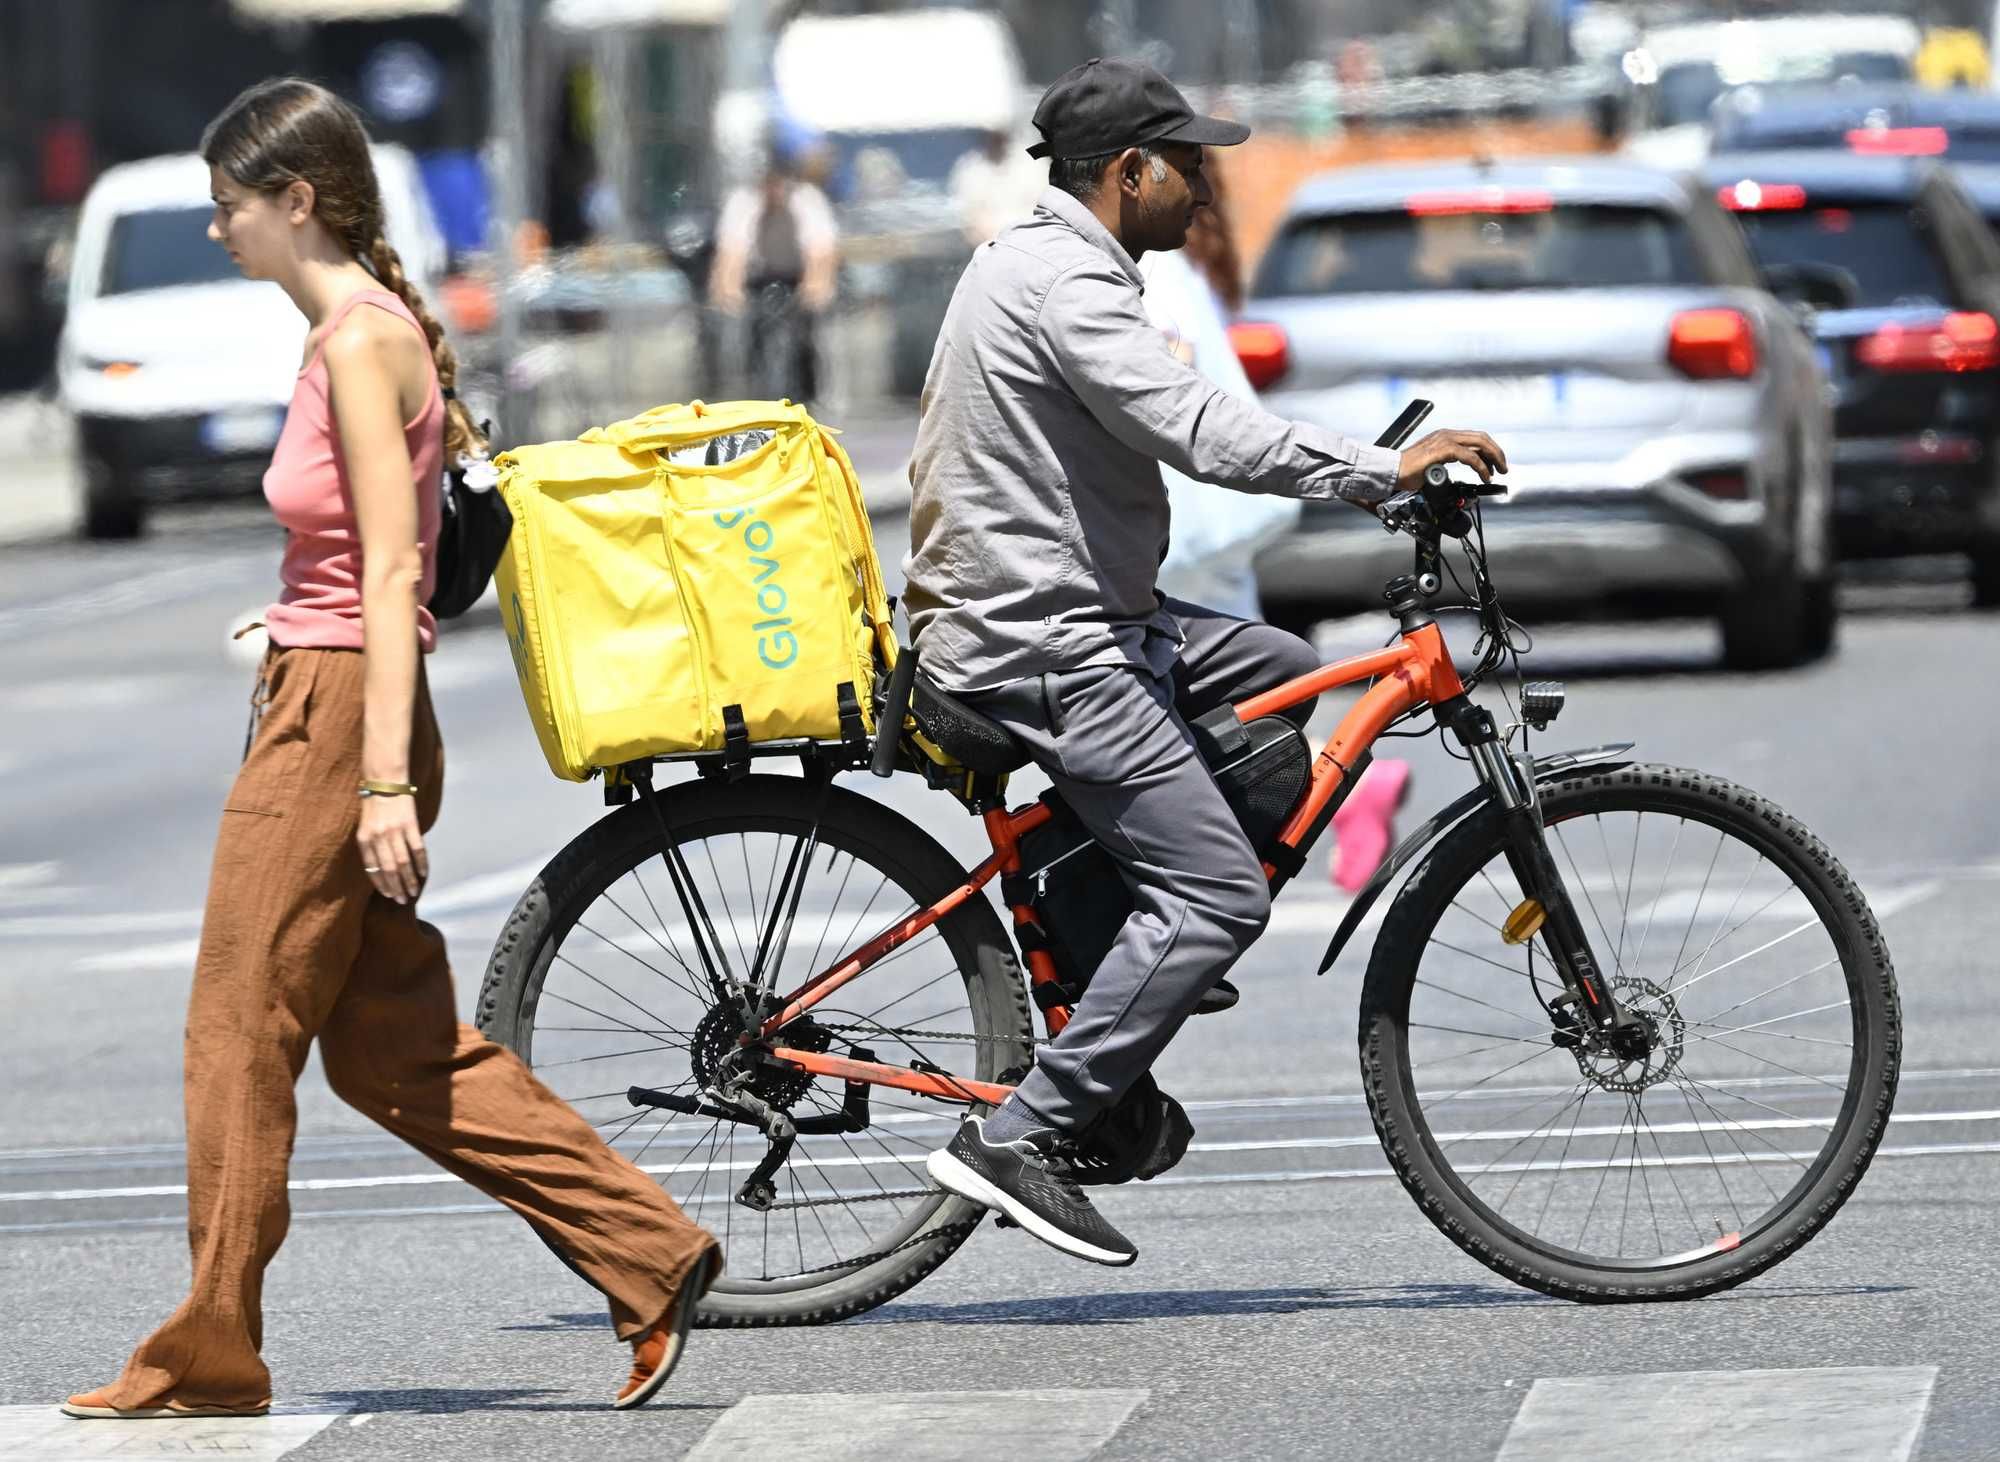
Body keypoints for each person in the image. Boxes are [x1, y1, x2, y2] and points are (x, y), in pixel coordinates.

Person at [61, 79, 719, 1423]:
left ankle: (210, 1348)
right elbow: (353, 556)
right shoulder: (362, 327)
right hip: (328, 684)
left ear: (297, 199)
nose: (217, 229)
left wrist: (373, 781)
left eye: (230, 205)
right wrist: (294, 621)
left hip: (336, 719)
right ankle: (650, 1251)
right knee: (392, 1052)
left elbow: (399, 567)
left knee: (236, 1026)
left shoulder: (360, 338)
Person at [910, 57, 1504, 1266]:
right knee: (1219, 894)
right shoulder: (1064, 282)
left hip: (1091, 612)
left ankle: (1096, 938)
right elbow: (1195, 429)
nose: (1203, 186)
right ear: (1124, 173)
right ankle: (1018, 1136)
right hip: (1043, 641)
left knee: (1281, 665)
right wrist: (1380, 469)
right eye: (1185, 163)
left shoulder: (1058, 264)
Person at [1136, 164, 1414, 891]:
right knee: (1239, 698)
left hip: (1185, 522)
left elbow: (1183, 411)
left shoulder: (1148, 272)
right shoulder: (1183, 267)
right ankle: (1346, 778)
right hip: (1215, 519)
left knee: (1213, 701)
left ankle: (1330, 787)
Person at [709, 149, 838, 402]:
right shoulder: (743, 202)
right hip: (759, 277)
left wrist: (816, 286)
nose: (773, 191)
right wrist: (728, 289)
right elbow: (731, 252)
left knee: (805, 337)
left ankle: (809, 395)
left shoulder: (807, 201)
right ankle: (755, 390)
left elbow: (821, 251)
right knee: (753, 334)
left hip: (796, 274)